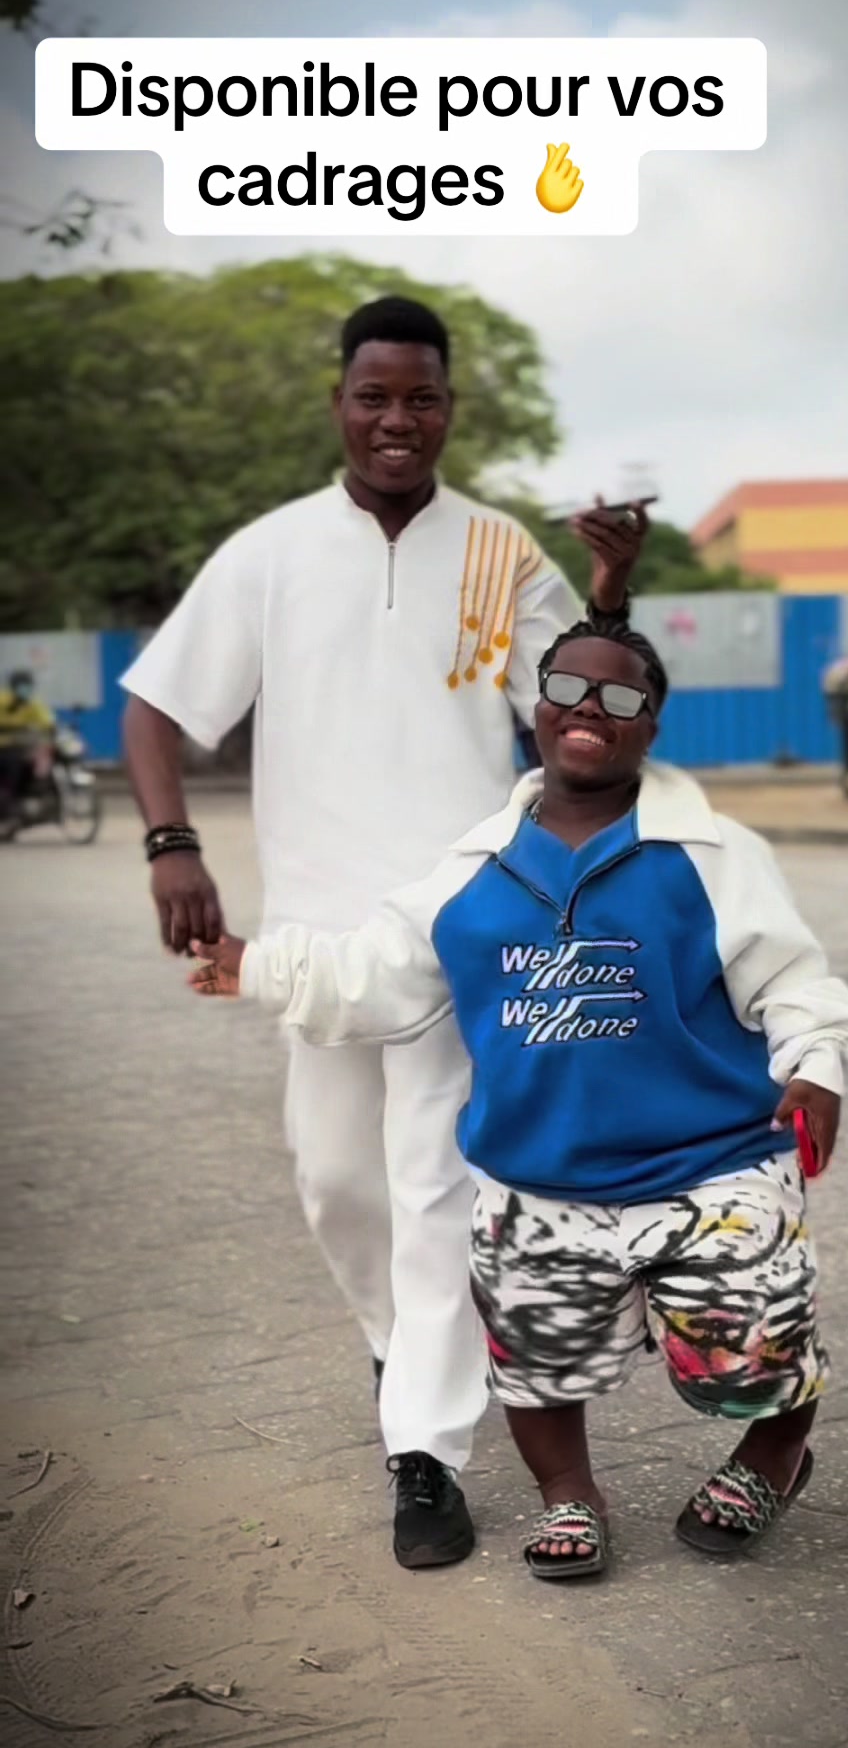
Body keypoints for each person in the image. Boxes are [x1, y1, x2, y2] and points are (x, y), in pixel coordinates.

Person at [120, 295, 646, 1569]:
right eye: (375, 396)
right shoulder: (272, 552)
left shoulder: (502, 552)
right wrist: (171, 842)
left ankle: (426, 1454)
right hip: (316, 936)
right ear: (341, 405)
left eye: (422, 397)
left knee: (433, 1190)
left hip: (464, 923)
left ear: (449, 409)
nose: (397, 419)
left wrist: (612, 587)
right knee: (336, 1181)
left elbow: (580, 701)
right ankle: (396, 1343)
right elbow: (155, 705)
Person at [186, 621, 848, 1581]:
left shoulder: (714, 854)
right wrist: (253, 966)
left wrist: (815, 1066)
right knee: (536, 1366)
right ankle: (569, 1494)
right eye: (567, 688)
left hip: (711, 1165)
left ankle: (772, 1459)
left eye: (621, 697)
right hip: (538, 1179)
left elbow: (792, 981)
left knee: (758, 1352)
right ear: (536, 707)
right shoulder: (470, 871)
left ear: (651, 725)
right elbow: (371, 976)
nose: (591, 709)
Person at [0, 669, 56, 827]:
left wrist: (51, 728)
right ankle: (9, 802)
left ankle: (35, 795)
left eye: (28, 686)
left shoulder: (31, 703)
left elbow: (45, 718)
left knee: (39, 759)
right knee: (12, 765)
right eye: (22, 686)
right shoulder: (2, 701)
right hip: (3, 748)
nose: (26, 689)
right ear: (13, 686)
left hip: (20, 747)